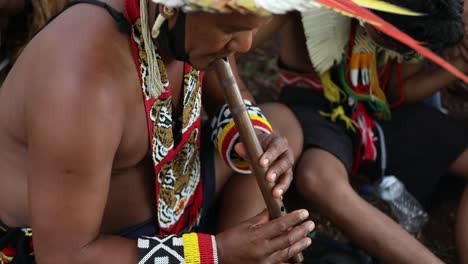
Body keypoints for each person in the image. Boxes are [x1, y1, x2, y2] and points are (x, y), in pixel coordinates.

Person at [0, 0, 316, 263]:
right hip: (89, 249)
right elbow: (63, 257)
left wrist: (251, 138)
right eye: (232, 29)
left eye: (251, 28)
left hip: (182, 203)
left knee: (281, 124)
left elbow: (229, 100)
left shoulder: (193, 24)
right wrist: (216, 253)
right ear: (170, 9)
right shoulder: (84, 82)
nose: (245, 45)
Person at [219, 1, 468, 263]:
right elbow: (227, 44)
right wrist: (245, 106)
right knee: (319, 177)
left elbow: (396, 89)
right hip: (315, 106)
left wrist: (460, 63)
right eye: (397, 43)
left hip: (376, 108)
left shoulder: (422, 16)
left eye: (409, 50)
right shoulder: (310, 6)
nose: (401, 51)